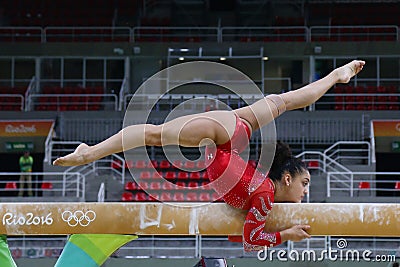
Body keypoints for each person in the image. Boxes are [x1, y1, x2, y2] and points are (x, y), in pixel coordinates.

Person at [53, 60, 365, 251]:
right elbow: (250, 241)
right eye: (305, 183)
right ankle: (88, 153)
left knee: (281, 102)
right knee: (151, 134)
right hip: (223, 136)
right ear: (286, 178)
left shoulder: (264, 192)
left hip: (229, 137)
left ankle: (337, 76)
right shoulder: (266, 196)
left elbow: (240, 232)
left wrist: (275, 228)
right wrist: (287, 235)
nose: (306, 192)